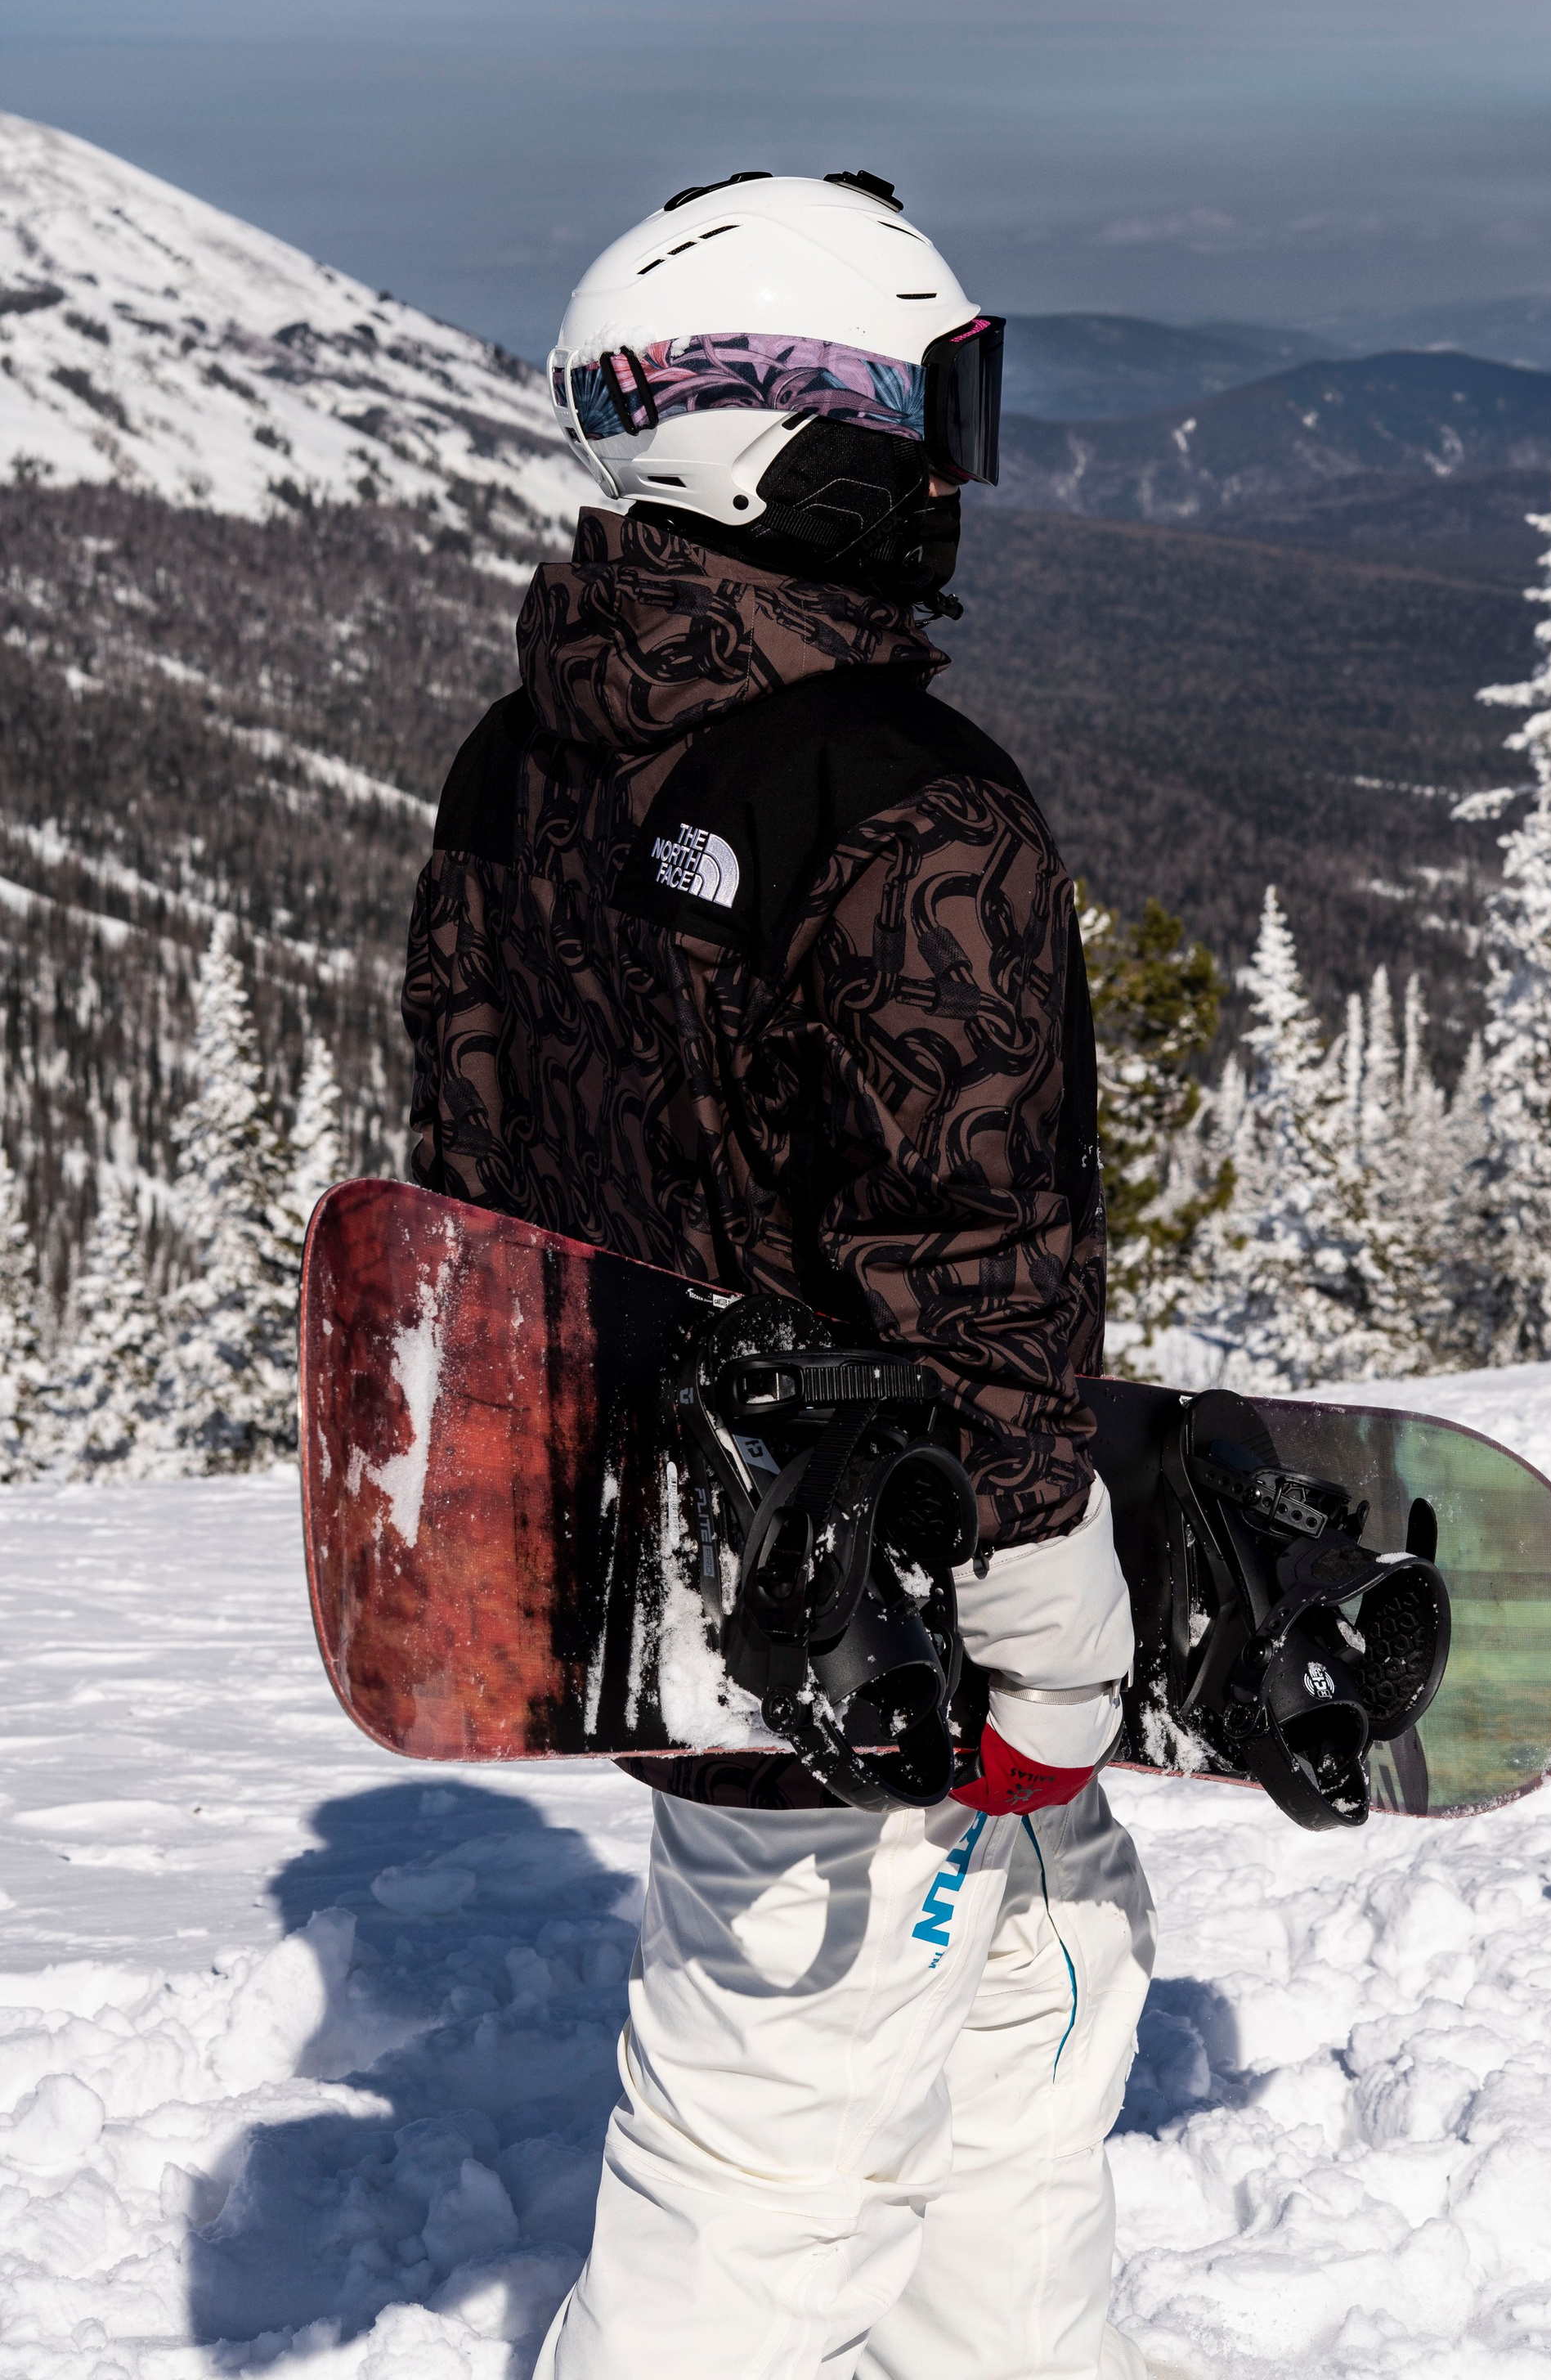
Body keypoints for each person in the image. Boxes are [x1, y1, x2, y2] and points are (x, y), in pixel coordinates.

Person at [401, 169, 1155, 2380]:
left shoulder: (521, 760)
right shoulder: (909, 804)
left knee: (1036, 1991)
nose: (949, 472)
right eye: (931, 411)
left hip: (667, 1573)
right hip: (883, 1601)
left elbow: (475, 1165)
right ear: (783, 428)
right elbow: (964, 1256)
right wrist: (1046, 1616)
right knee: (771, 2141)